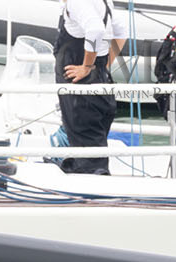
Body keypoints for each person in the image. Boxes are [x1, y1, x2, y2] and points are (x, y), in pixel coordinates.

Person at [54, 0, 127, 175]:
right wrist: (102, 66)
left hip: (82, 87)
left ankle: (92, 193)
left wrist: (87, 66)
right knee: (92, 144)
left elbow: (95, 30)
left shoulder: (76, 2)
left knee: (89, 153)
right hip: (99, 79)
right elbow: (121, 31)